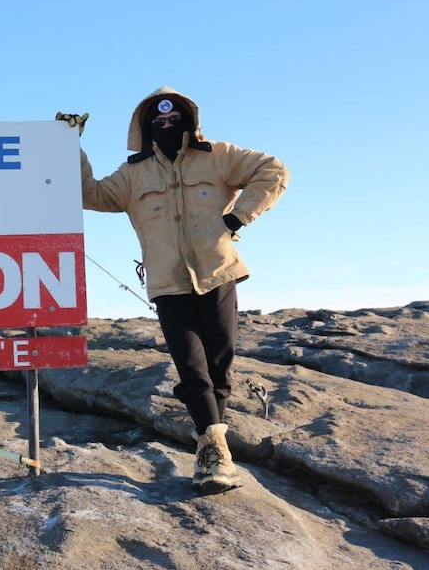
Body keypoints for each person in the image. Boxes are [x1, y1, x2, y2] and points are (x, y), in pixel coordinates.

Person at [57, 87, 289, 494]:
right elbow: (89, 193)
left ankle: (210, 443)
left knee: (219, 360)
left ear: (188, 120)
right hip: (167, 283)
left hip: (217, 274)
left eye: (174, 117)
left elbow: (273, 170)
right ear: (144, 127)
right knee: (191, 364)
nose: (167, 124)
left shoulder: (216, 155)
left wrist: (235, 219)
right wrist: (68, 145)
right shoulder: (133, 174)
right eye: (158, 121)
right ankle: (214, 447)